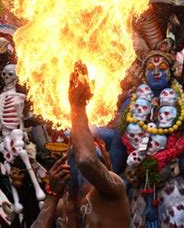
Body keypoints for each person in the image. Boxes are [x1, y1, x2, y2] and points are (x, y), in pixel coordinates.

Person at [33, 61, 130, 228]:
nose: (77, 150)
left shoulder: (114, 190)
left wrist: (78, 105)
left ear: (106, 161)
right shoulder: (61, 207)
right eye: (74, 146)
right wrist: (52, 193)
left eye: (90, 143)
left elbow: (86, 160)